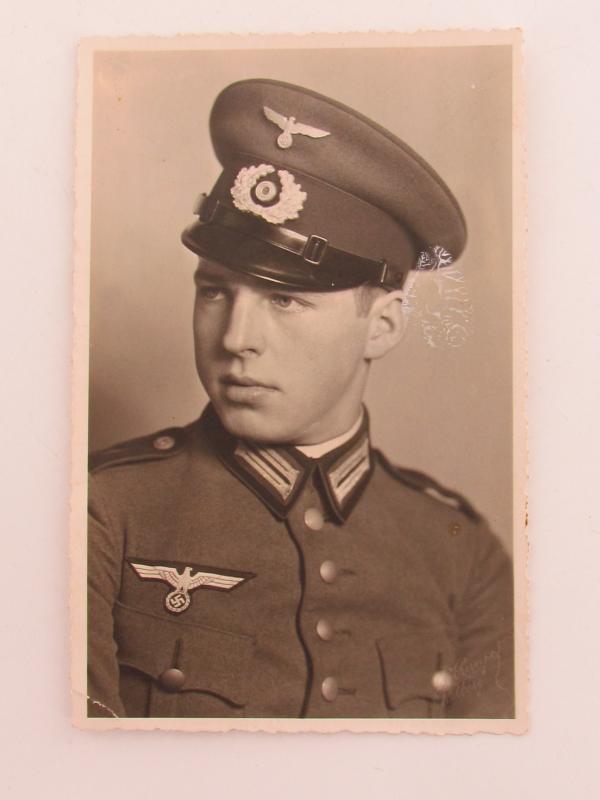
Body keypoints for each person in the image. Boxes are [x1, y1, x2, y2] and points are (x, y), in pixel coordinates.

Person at [87, 78, 514, 719]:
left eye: (285, 300)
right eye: (214, 291)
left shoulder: (460, 550)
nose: (235, 339)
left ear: (384, 326)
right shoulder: (100, 509)